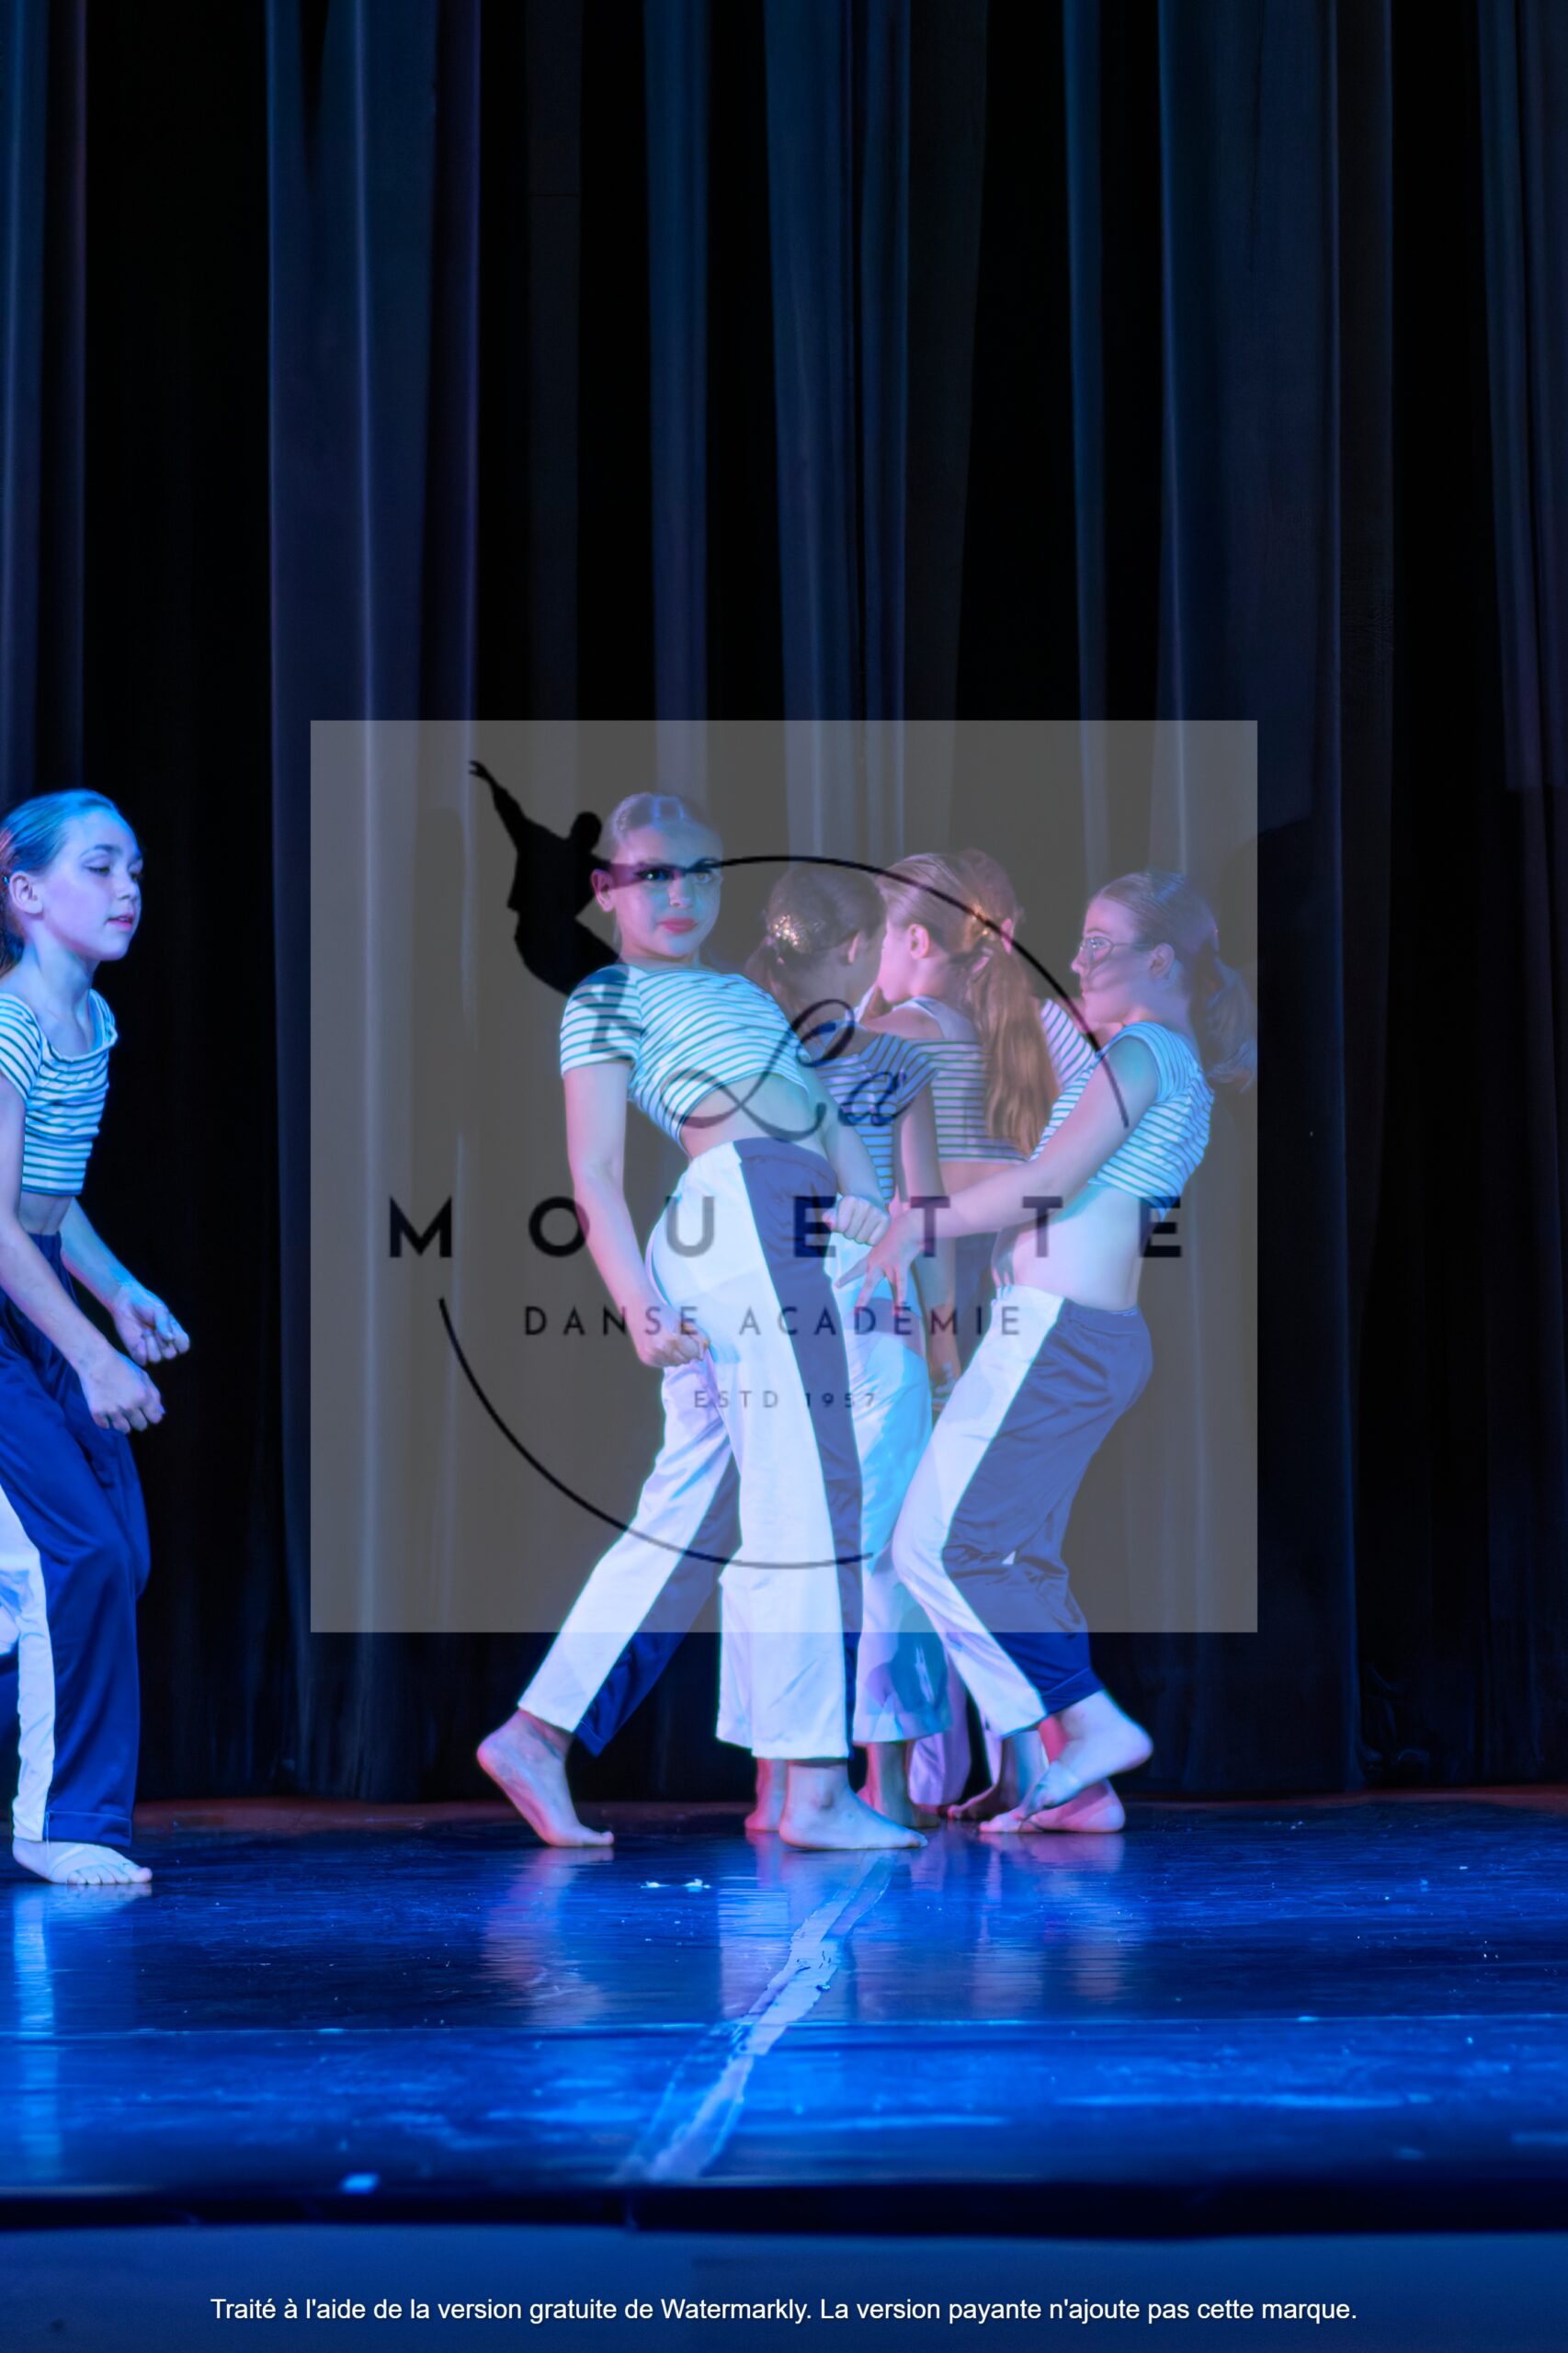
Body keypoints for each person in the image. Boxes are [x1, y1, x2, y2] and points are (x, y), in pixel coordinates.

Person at [476, 795, 923, 1851]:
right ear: (606, 889)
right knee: (809, 1495)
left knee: (690, 1516)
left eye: (701, 872)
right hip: (740, 1214)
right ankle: (813, 1786)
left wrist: (869, 1213)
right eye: (652, 875)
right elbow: (593, 1171)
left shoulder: (740, 994)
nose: (679, 894)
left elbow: (821, 1117)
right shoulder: (607, 994)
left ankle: (537, 1731)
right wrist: (635, 1302)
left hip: (789, 1217)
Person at [841, 870, 1256, 1834]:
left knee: (936, 1547)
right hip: (1080, 1333)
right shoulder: (1164, 1061)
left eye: (1100, 945)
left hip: (1058, 1333)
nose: (1077, 960)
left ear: (1162, 962)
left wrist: (918, 1222)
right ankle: (1081, 1785)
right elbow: (1049, 1172)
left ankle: (1090, 1727)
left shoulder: (1142, 1052)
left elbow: (1046, 1183)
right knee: (1014, 1554)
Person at [863, 848, 1095, 1811]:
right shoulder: (1035, 1025)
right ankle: (1028, 1766)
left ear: (917, 940)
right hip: (1021, 1305)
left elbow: (898, 1192)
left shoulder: (896, 1038)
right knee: (992, 1550)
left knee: (907, 1550)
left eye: (880, 934)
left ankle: (921, 1773)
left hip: (933, 1313)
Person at [0, 790, 189, 1888]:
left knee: (119, 1553)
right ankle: (61, 1818)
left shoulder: (92, 1022)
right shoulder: (10, 1026)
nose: (128, 890)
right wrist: (89, 1353)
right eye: (100, 867)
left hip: (37, 1295)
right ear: (27, 893)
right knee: (80, 1556)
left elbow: (48, 1201)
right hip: (15, 1307)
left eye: (136, 871)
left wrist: (118, 1293)